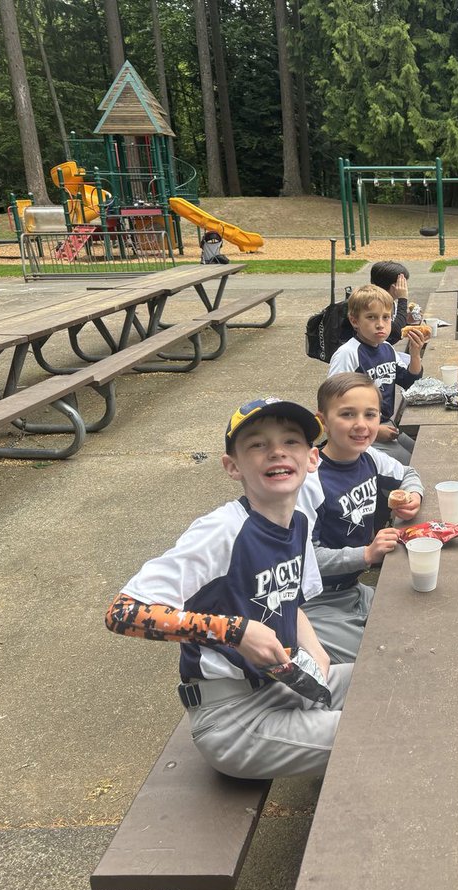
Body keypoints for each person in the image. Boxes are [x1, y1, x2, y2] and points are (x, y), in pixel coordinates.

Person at [104, 398, 352, 779]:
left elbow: (290, 602)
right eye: (257, 444)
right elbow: (122, 612)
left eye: (292, 441)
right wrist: (233, 631)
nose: (277, 452)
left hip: (286, 684)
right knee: (371, 738)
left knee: (387, 682)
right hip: (233, 719)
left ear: (312, 458)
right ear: (232, 466)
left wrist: (316, 654)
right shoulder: (221, 531)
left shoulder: (298, 520)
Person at [302, 372, 424, 663]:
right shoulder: (310, 481)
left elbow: (409, 473)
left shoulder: (368, 455)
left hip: (353, 589)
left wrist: (413, 497)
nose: (361, 425)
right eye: (347, 414)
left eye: (370, 414)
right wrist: (366, 554)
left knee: (419, 624)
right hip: (314, 603)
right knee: (378, 660)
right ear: (323, 420)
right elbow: (303, 560)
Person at [328, 284, 425, 463]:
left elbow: (410, 382)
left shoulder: (386, 349)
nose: (380, 324)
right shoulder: (347, 354)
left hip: (385, 425)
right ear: (354, 321)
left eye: (386, 317)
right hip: (359, 434)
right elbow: (333, 404)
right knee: (415, 466)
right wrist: (373, 430)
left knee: (423, 453)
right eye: (371, 317)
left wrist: (415, 353)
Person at [337, 260, 413, 346]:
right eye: (403, 284)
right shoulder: (372, 302)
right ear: (394, 287)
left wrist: (407, 319)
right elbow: (397, 333)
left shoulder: (384, 301)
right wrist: (403, 298)